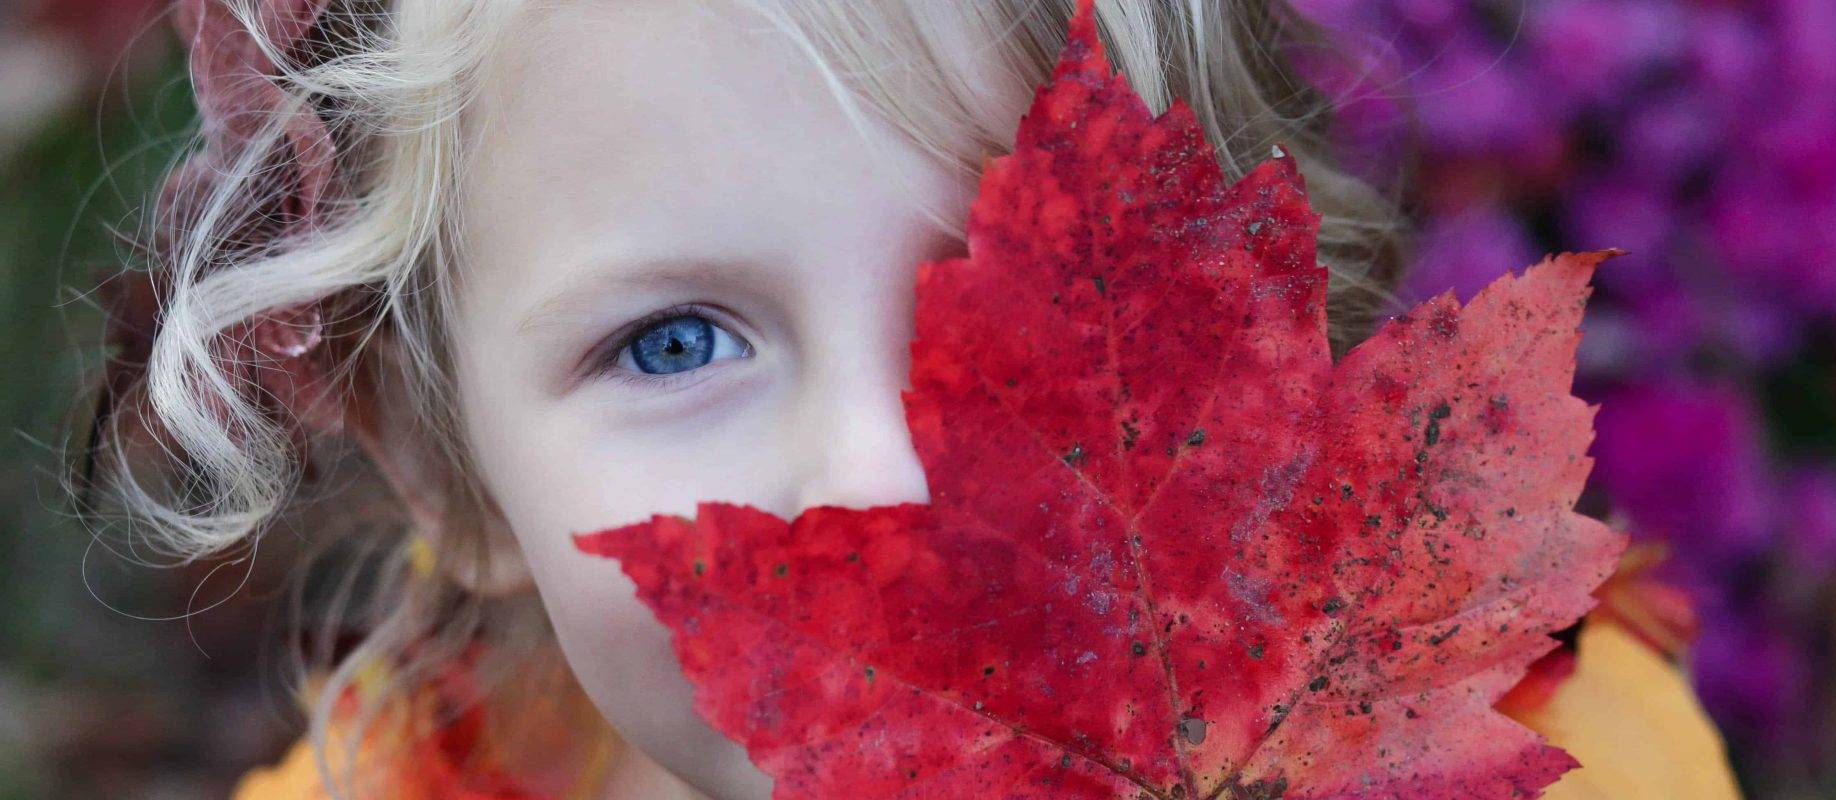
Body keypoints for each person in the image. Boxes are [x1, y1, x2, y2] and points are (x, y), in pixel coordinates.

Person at [75, 0, 1743, 797]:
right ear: (444, 471)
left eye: (1021, 291)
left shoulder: (1555, 758)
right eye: (672, 346)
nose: (891, 475)